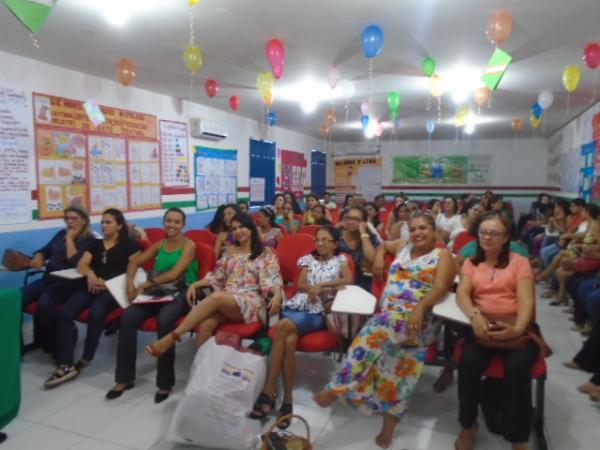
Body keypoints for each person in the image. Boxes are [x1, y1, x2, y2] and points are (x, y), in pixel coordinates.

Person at [314, 213, 455, 449]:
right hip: (388, 317)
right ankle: (387, 428)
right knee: (401, 376)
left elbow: (441, 288)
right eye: (413, 228)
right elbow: (383, 246)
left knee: (379, 334)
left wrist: (420, 308)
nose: (417, 232)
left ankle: (337, 387)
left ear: (434, 232)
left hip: (418, 320)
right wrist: (380, 257)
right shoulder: (401, 246)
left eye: (423, 228)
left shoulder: (443, 256)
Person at [250, 226, 353, 429]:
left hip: (318, 312)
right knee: (288, 339)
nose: (320, 244)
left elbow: (348, 279)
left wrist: (323, 286)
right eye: (318, 240)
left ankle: (268, 391)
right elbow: (301, 283)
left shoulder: (341, 260)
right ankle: (287, 400)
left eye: (325, 240)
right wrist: (310, 288)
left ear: (334, 243)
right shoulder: (308, 259)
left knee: (283, 326)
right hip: (299, 304)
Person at [144, 213, 283, 356]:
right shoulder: (229, 250)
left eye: (241, 227)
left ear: (251, 228)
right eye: (234, 229)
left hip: (250, 302)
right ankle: (203, 372)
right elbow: (218, 277)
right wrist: (195, 284)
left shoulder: (265, 252)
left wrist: (277, 294)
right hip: (226, 300)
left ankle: (172, 337)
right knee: (205, 326)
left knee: (217, 297)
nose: (237, 231)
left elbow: (272, 279)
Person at [455, 212, 538, 450]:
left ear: (506, 238)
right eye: (483, 232)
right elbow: (462, 294)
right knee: (468, 364)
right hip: (484, 326)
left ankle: (519, 436)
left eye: (495, 233)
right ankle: (468, 425)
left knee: (518, 369)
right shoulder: (472, 262)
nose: (487, 237)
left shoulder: (519, 263)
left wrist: (518, 329)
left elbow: (526, 301)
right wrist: (475, 316)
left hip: (517, 327)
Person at [106, 208, 198, 403]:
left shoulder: (189, 245)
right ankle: (124, 378)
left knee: (165, 320)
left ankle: (165, 383)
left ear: (183, 225)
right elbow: (133, 263)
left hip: (181, 292)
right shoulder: (160, 244)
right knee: (128, 317)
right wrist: (130, 283)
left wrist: (145, 284)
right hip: (159, 292)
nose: (172, 225)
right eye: (169, 221)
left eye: (177, 222)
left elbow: (174, 275)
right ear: (164, 222)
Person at [44, 208, 140, 388]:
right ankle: (65, 363)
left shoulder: (130, 246)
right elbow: (82, 265)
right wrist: (90, 275)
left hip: (113, 289)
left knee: (97, 312)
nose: (104, 226)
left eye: (108, 222)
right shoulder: (96, 244)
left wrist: (109, 283)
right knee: (65, 314)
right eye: (102, 222)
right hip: (91, 285)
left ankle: (86, 357)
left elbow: (134, 270)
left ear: (119, 226)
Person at [23, 205, 96, 356]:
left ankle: (55, 343)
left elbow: (76, 261)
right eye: (67, 218)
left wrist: (70, 239)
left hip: (69, 283)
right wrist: (39, 256)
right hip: (49, 278)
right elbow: (45, 250)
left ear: (83, 221)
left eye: (74, 218)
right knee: (17, 298)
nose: (69, 222)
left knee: (45, 303)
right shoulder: (60, 234)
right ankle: (18, 345)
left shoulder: (89, 240)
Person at [338, 206, 382, 292]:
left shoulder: (371, 238)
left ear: (363, 222)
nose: (350, 222)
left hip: (364, 283)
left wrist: (363, 231)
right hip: (338, 281)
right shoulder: (336, 237)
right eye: (347, 218)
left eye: (356, 219)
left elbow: (371, 258)